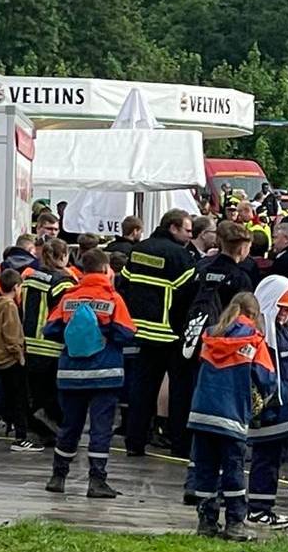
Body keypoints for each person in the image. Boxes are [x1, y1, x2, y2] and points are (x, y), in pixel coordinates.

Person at [43, 248, 134, 498]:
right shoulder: (113, 298)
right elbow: (127, 333)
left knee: (69, 426)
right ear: (106, 270)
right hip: (105, 374)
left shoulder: (69, 297)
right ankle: (96, 480)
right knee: (100, 428)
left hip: (71, 374)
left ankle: (58, 476)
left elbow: (50, 329)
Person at [178, 221, 257, 501]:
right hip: (230, 354)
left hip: (198, 346)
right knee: (224, 421)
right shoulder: (241, 278)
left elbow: (181, 302)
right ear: (244, 247)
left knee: (200, 417)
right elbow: (247, 318)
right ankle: (222, 485)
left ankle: (194, 481)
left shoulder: (201, 269)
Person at [187, 292, 275, 541]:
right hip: (232, 416)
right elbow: (267, 380)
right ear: (253, 315)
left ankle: (206, 521)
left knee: (206, 469)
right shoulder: (255, 341)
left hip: (201, 413)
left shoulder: (211, 335)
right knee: (233, 469)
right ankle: (235, 523)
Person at [117, 209, 198, 457]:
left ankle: (135, 442)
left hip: (141, 331)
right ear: (173, 228)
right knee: (178, 392)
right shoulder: (181, 257)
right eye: (187, 230)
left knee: (142, 390)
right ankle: (179, 445)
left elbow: (123, 284)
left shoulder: (138, 251)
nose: (190, 236)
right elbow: (188, 297)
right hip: (171, 335)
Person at [246, 275, 288, 530]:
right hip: (271, 408)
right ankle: (259, 510)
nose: (287, 313)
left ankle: (261, 507)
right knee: (266, 458)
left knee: (275, 457)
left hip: (286, 406)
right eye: (284, 308)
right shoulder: (262, 335)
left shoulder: (284, 331)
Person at [19, 239, 79, 445]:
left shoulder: (29, 278)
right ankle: (52, 430)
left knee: (37, 392)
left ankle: (39, 431)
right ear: (63, 256)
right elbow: (68, 313)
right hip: (52, 344)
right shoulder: (63, 282)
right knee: (54, 393)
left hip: (30, 343)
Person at [0, 269, 40, 452]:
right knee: (19, 399)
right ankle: (21, 438)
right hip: (11, 358)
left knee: (8, 396)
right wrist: (20, 355)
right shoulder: (9, 307)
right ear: (17, 287)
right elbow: (12, 334)